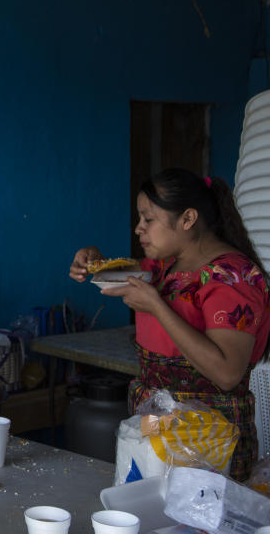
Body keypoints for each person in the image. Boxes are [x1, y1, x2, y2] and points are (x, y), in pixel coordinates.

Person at [69, 168, 270, 481]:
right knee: (148, 519)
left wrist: (156, 307)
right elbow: (112, 273)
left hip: (209, 441)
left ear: (188, 219)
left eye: (148, 219)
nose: (138, 229)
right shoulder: (165, 268)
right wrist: (92, 259)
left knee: (198, 525)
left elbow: (228, 373)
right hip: (156, 431)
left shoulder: (234, 277)